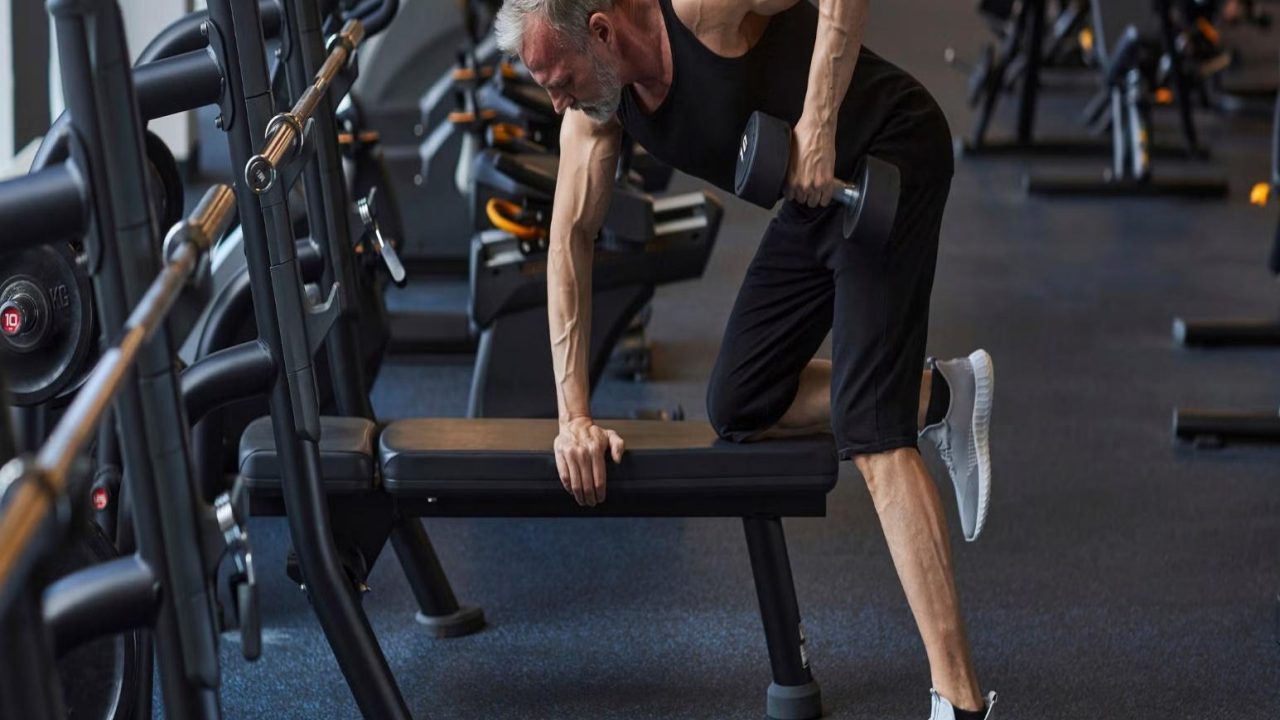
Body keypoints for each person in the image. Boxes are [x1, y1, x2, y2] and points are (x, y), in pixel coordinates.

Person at [494, 0, 997, 716]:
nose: (557, 98)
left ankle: (962, 701)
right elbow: (569, 243)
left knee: (872, 436)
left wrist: (818, 125)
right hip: (816, 200)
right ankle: (941, 396)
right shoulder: (598, 112)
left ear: (601, 31)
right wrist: (573, 415)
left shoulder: (699, 11)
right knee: (740, 404)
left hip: (890, 155)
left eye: (559, 76)